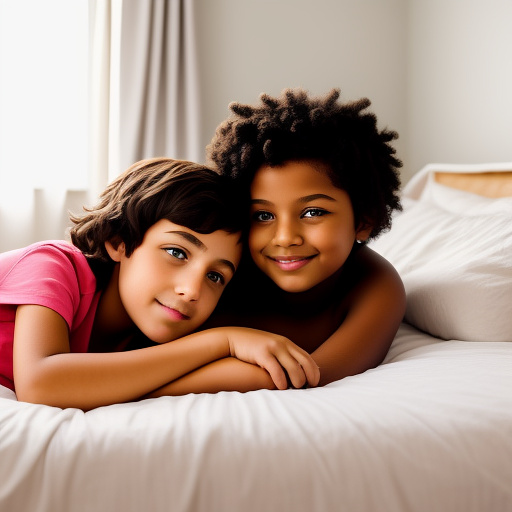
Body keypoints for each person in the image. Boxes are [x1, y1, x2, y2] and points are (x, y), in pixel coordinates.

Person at [0, 157, 320, 410]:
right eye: (176, 252)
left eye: (215, 276)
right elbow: (41, 384)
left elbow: (262, 376)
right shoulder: (51, 265)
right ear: (118, 240)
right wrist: (222, 340)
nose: (192, 291)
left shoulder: (148, 344)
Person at [151, 88, 406, 394]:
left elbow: (309, 375)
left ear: (363, 221)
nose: (285, 238)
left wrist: (142, 390)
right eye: (263, 216)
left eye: (313, 212)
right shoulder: (219, 268)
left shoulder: (376, 285)